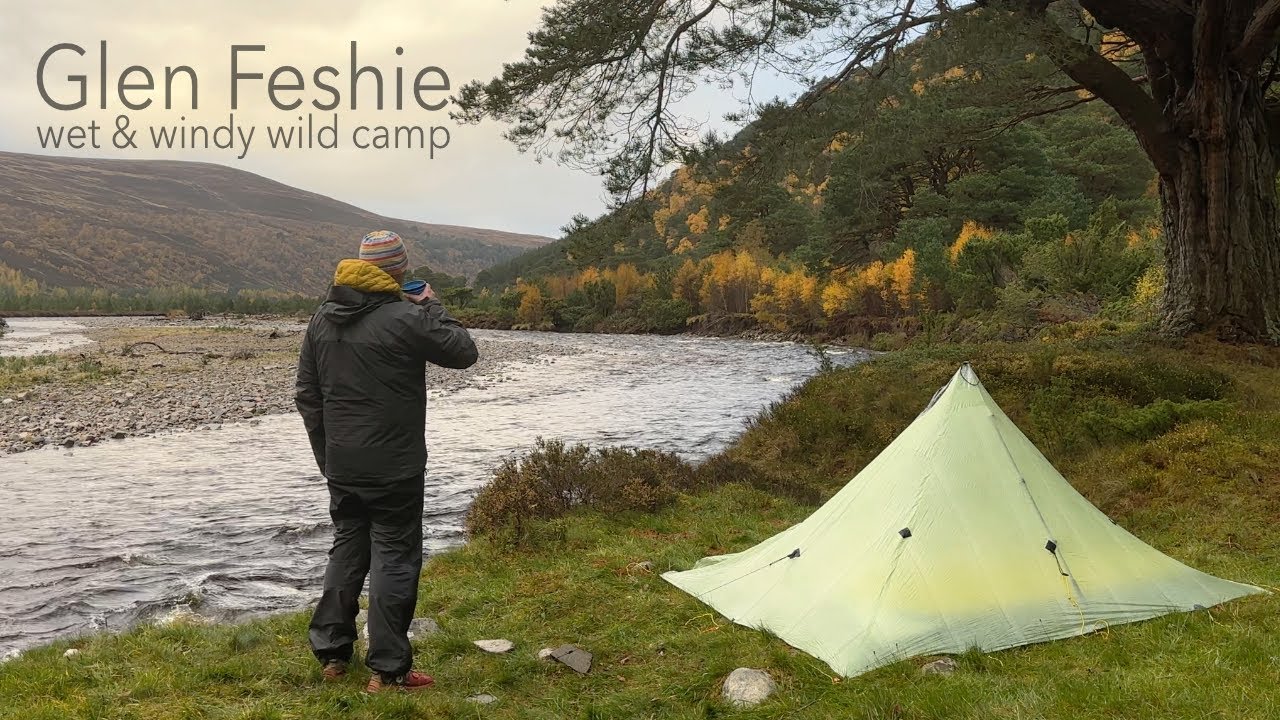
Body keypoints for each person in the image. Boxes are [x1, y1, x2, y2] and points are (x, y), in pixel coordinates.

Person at [295, 229, 478, 693]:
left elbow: (307, 396)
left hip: (342, 462)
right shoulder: (406, 316)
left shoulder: (321, 319)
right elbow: (464, 351)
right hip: (395, 464)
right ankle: (389, 670)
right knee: (395, 557)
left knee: (347, 548)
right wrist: (432, 305)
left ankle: (333, 655)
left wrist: (327, 454)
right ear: (397, 271)